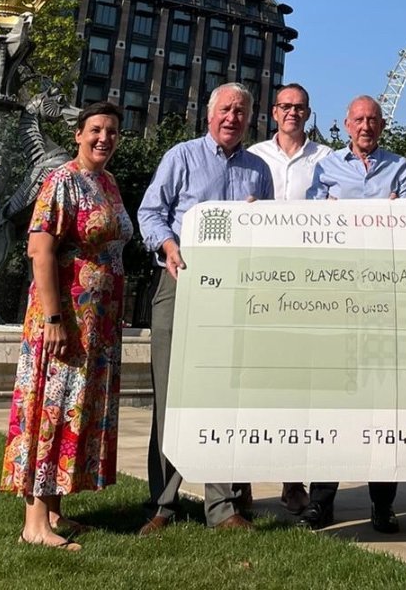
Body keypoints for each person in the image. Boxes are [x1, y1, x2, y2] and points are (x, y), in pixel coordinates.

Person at [137, 82, 274, 535]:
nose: (233, 117)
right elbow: (150, 212)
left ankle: (224, 506)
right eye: (226, 109)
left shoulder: (259, 169)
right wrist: (168, 245)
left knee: (225, 397)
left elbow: (271, 231)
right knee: (170, 393)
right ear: (209, 114)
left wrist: (260, 221)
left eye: (240, 111)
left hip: (235, 293)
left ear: (249, 119)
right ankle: (163, 504)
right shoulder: (182, 156)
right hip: (180, 282)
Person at [1, 102, 133, 550]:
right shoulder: (62, 180)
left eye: (112, 131)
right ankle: (34, 523)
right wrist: (55, 318)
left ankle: (55, 510)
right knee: (51, 408)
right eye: (95, 130)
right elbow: (40, 251)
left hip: (99, 325)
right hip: (65, 319)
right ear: (78, 134)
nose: (104, 138)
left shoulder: (107, 183)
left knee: (74, 406)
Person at [298, 95, 406, 533]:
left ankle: (382, 505)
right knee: (332, 403)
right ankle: (321, 502)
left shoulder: (400, 167)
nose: (365, 126)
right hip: (337, 296)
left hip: (385, 298)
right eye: (358, 119)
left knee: (383, 406)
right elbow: (308, 222)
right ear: (346, 124)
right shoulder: (326, 168)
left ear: (382, 125)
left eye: (373, 120)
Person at [247, 81, 331, 515]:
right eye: (286, 106)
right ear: (274, 112)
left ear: (308, 113)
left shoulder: (326, 160)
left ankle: (293, 478)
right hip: (261, 278)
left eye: (300, 107)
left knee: (301, 387)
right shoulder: (254, 156)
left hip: (307, 281)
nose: (293, 113)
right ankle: (243, 474)